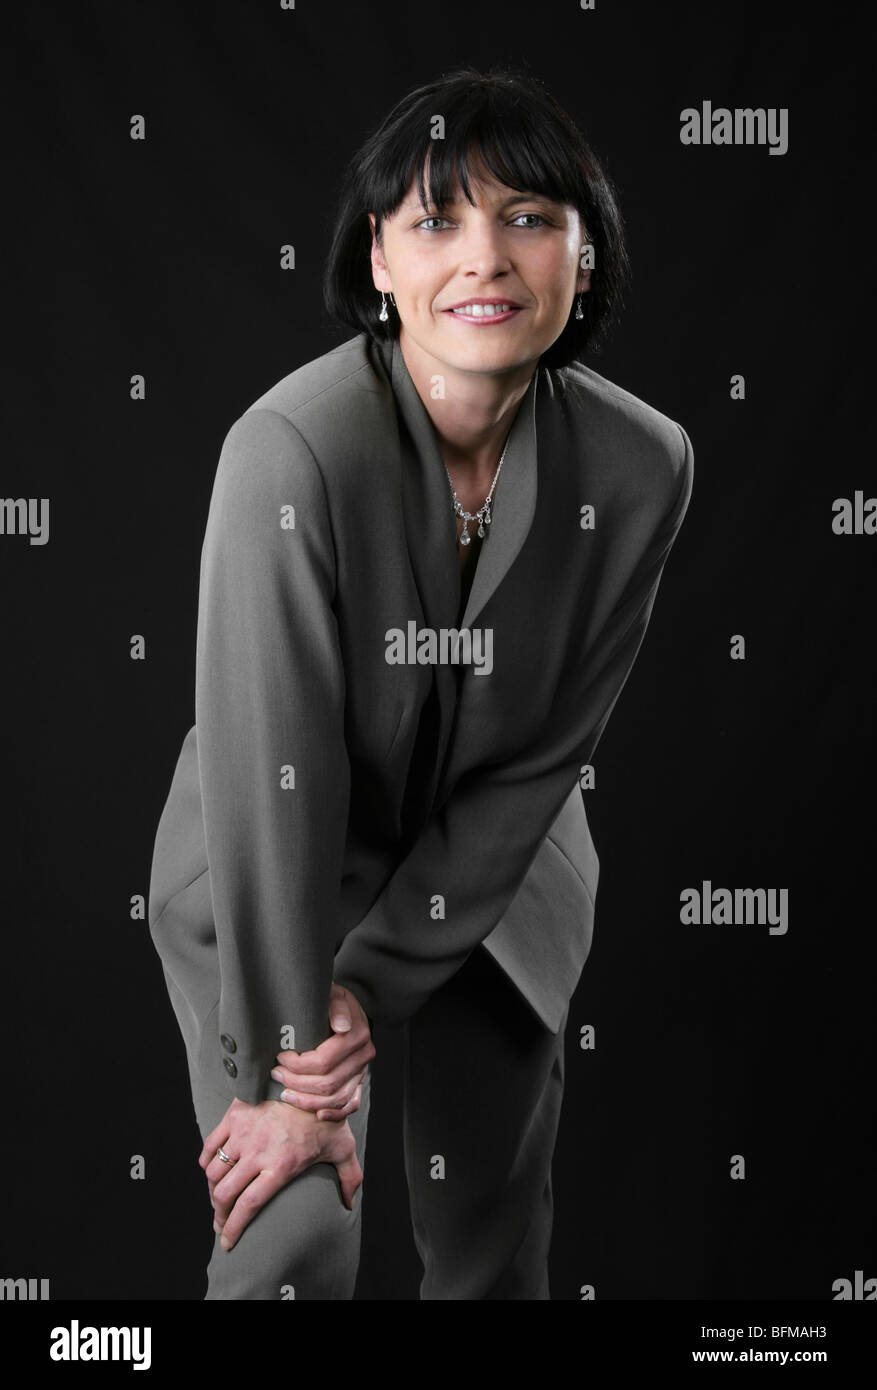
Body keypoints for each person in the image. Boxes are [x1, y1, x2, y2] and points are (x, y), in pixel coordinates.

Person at [147, 63, 694, 1300]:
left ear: (584, 255)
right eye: (437, 220)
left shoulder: (645, 462)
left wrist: (373, 977)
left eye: (529, 219)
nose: (486, 260)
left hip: (498, 879)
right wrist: (299, 1061)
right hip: (271, 864)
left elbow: (543, 761)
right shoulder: (286, 450)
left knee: (492, 1251)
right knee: (290, 1226)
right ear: (378, 264)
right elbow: (271, 770)